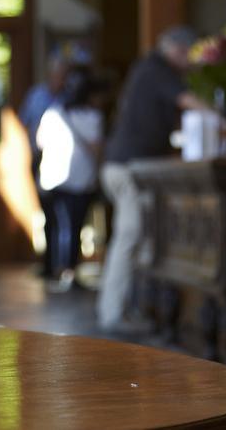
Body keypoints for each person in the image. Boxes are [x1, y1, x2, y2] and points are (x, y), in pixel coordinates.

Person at [97, 26, 204, 332]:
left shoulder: (148, 68)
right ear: (177, 50)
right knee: (130, 237)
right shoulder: (156, 68)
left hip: (127, 167)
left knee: (141, 239)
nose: (190, 63)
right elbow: (188, 101)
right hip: (128, 169)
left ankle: (131, 309)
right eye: (189, 55)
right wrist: (223, 118)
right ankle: (112, 314)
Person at [35, 69, 105, 291]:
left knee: (55, 225)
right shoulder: (92, 117)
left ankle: (55, 268)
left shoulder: (53, 113)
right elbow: (97, 148)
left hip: (52, 178)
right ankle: (69, 271)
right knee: (74, 227)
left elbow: (39, 143)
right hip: (80, 179)